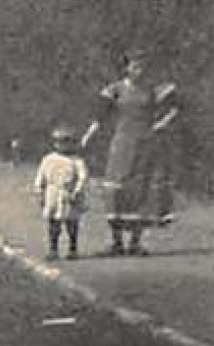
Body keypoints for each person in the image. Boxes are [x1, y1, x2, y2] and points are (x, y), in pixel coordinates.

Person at [83, 54, 179, 256]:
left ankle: (135, 242)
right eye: (135, 67)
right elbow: (100, 116)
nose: (139, 71)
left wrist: (162, 124)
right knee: (116, 189)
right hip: (123, 143)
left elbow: (176, 107)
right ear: (126, 68)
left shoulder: (152, 90)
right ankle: (116, 242)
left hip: (146, 143)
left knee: (141, 190)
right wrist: (87, 137)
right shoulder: (116, 89)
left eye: (142, 67)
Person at [34, 126, 89, 261]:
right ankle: (53, 249)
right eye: (59, 142)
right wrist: (39, 191)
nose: (63, 145)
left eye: (67, 142)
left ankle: (73, 249)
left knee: (71, 222)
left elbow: (83, 177)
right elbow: (41, 176)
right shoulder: (48, 159)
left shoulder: (76, 161)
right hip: (52, 193)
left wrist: (77, 190)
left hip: (69, 194)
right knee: (53, 222)